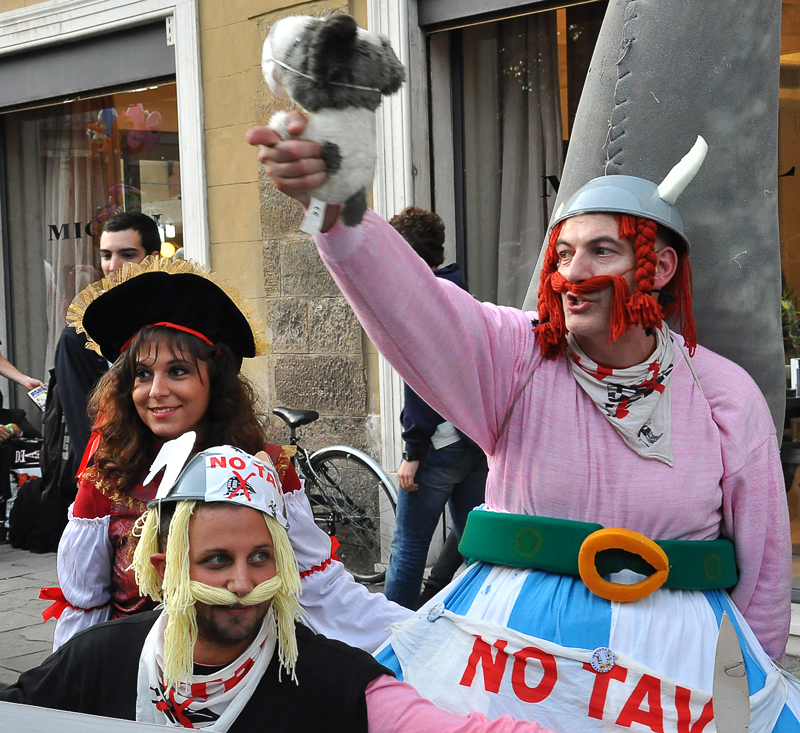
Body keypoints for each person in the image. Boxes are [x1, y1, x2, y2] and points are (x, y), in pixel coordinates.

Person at [247, 117, 799, 730]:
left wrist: (750, 691)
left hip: (673, 673)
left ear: (660, 267)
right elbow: (415, 304)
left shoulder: (724, 394)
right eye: (563, 253)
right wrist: (335, 209)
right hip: (511, 664)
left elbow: (764, 570)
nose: (571, 273)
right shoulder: (518, 356)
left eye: (601, 251)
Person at [5, 442, 553, 733]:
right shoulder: (98, 660)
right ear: (167, 569)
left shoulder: (335, 680)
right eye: (217, 561)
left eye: (260, 557)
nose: (243, 584)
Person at [44, 256, 301, 650]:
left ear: (214, 379)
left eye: (178, 371)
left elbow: (316, 590)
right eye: (142, 374)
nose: (156, 391)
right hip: (135, 672)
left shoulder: (268, 469)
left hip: (250, 669)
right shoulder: (108, 479)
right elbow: (85, 609)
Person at [385, 206, 487, 609]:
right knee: (477, 545)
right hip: (474, 438)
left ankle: (391, 632)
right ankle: (478, 618)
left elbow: (422, 385)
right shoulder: (460, 293)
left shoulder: (422, 301)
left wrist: (412, 451)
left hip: (438, 444)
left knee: (409, 546)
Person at [54, 211, 161, 470]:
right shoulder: (81, 333)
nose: (113, 265)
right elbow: (86, 426)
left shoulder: (178, 315)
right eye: (106, 255)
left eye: (127, 254)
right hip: (121, 469)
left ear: (153, 258)